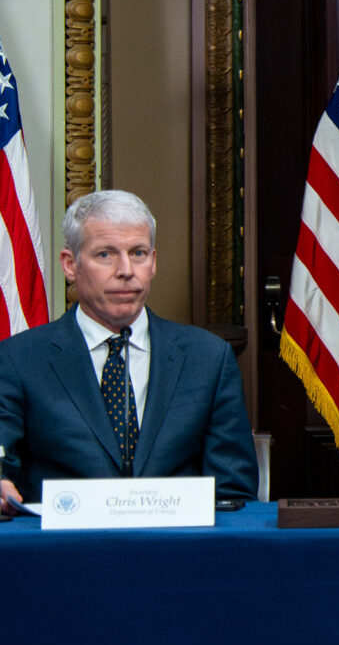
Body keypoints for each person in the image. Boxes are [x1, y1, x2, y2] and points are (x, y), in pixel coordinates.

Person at [0, 190, 255, 508]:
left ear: (154, 262)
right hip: (65, 549)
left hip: (178, 549)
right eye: (105, 254)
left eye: (138, 253)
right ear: (70, 264)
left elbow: (233, 492)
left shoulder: (208, 358)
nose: (126, 270)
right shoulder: (18, 359)